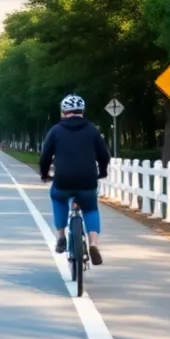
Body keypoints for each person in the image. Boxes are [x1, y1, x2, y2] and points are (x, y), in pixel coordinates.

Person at [39, 93, 110, 264]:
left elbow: (45, 156)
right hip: (88, 180)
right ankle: (93, 244)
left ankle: (61, 236)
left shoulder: (55, 131)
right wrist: (102, 171)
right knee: (91, 208)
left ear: (64, 111)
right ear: (82, 111)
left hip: (63, 180)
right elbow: (104, 155)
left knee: (58, 198)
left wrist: (44, 174)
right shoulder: (92, 129)